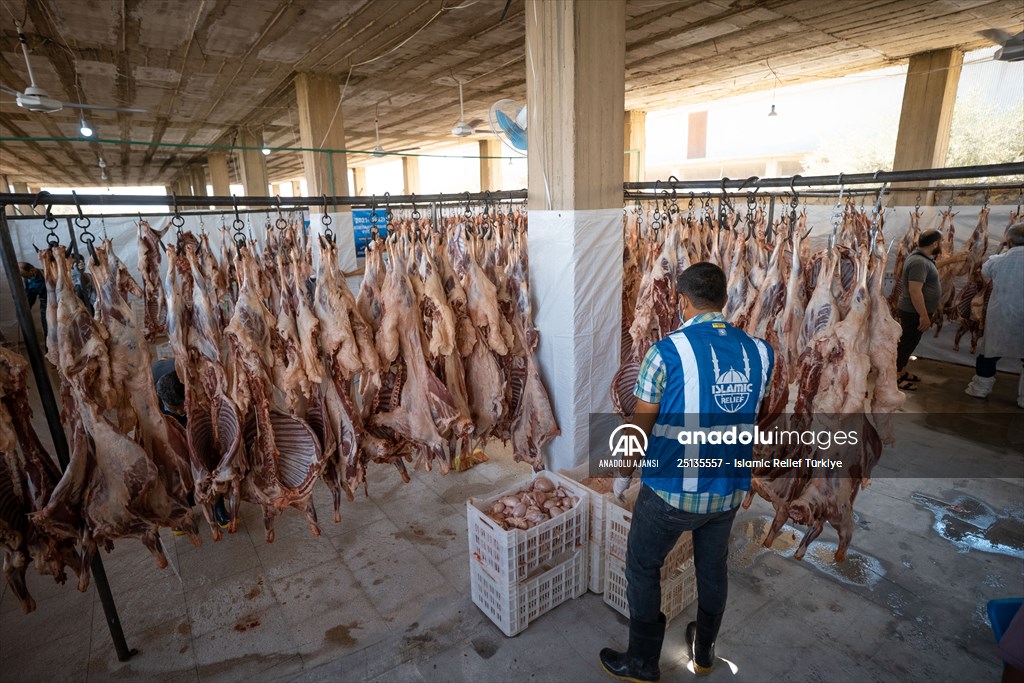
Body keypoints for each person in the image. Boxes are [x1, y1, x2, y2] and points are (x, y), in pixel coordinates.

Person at [600, 262, 774, 681]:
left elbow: (639, 428)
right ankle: (705, 651)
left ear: (681, 301)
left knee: (643, 565)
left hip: (670, 493)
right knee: (713, 568)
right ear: (724, 301)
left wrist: (623, 474)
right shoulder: (760, 351)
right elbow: (753, 415)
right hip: (728, 491)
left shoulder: (665, 353)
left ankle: (642, 662)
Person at [152, 360, 231, 529]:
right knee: (175, 465)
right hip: (164, 421)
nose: (181, 411)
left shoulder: (191, 376)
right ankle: (184, 512)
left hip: (196, 409)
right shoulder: (149, 390)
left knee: (206, 455)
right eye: (177, 408)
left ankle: (218, 507)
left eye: (182, 407)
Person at [895, 229, 969, 390]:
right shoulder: (918, 262)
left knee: (910, 342)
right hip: (913, 311)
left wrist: (952, 260)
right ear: (935, 244)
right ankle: (895, 377)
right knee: (906, 344)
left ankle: (902, 371)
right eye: (942, 242)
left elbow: (933, 266)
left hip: (915, 311)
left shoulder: (922, 259)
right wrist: (923, 316)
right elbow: (915, 291)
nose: (942, 245)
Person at [965, 223, 1024, 408]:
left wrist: (1002, 249)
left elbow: (984, 272)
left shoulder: (998, 260)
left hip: (1001, 314)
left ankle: (980, 390)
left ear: (1010, 241)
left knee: (989, 353)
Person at [18, 262, 47, 342]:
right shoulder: (28, 280)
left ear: (32, 270)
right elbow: (30, 295)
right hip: (45, 306)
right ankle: (51, 352)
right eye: (24, 277)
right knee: (47, 331)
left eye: (26, 275)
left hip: (59, 304)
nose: (26, 278)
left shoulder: (47, 274)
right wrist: (24, 308)